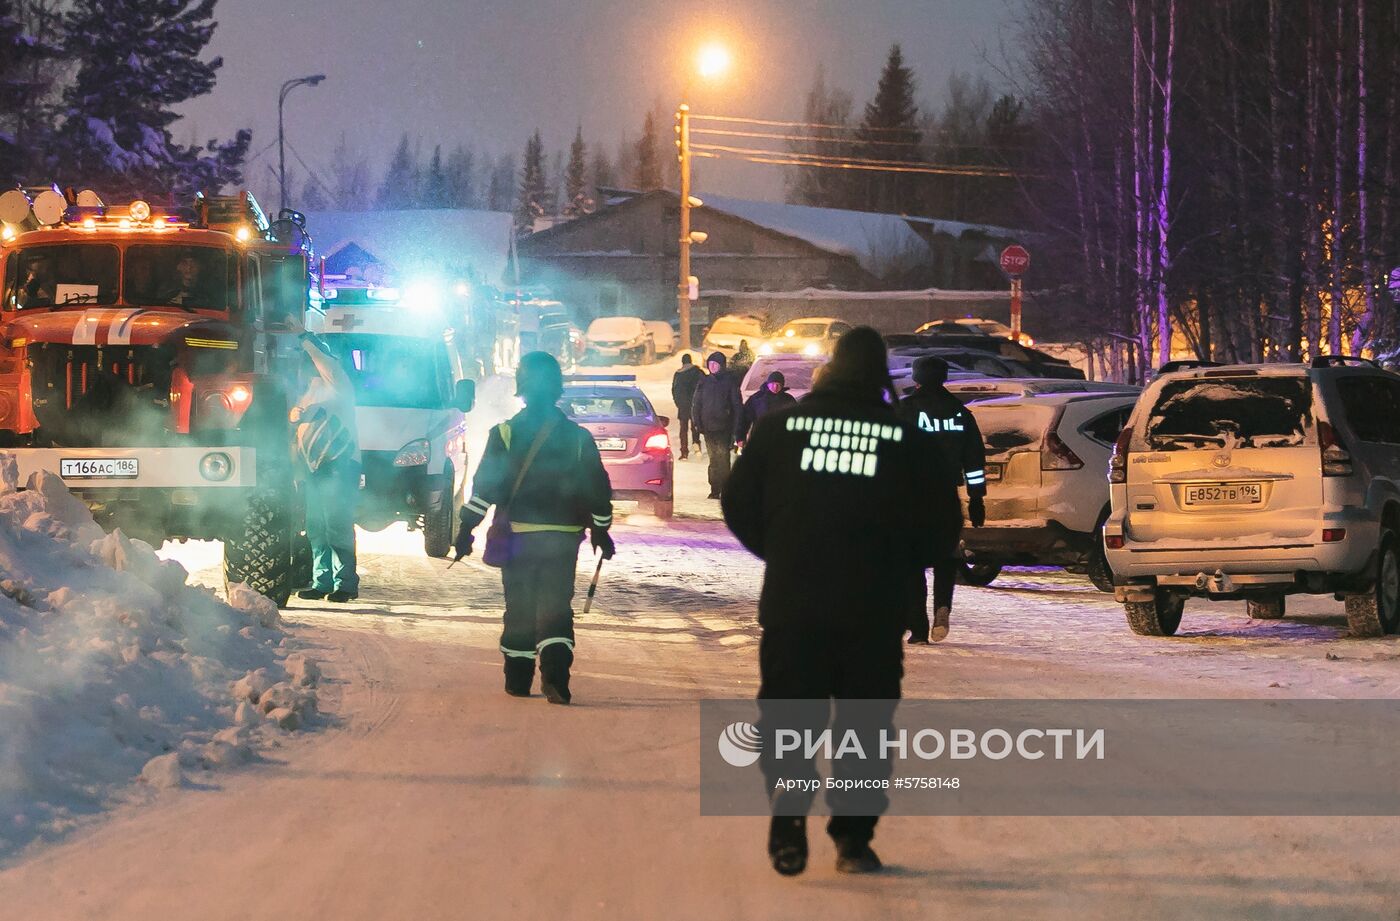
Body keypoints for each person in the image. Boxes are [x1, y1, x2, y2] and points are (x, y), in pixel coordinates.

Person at [723, 327, 962, 877]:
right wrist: (903, 567)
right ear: (880, 374)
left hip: (793, 603)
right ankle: (853, 839)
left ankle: (787, 826)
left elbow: (739, 504)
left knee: (790, 719)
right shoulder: (906, 439)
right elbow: (941, 526)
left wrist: (782, 551)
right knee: (865, 726)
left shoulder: (780, 427)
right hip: (873, 611)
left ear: (828, 370)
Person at [453, 351, 615, 705]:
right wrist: (602, 530)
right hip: (562, 540)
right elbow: (597, 490)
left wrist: (466, 529)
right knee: (557, 605)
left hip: (518, 538)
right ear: (558, 388)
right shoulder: (577, 438)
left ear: (521, 388)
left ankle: (518, 679)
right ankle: (556, 679)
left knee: (520, 606)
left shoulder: (505, 434)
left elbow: (485, 489)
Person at [898, 355, 987, 643]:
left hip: (911, 497)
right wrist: (976, 499)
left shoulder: (904, 411)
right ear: (945, 378)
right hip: (947, 497)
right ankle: (943, 607)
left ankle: (918, 627)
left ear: (916, 379)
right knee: (946, 557)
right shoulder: (960, 413)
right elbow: (974, 462)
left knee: (911, 563)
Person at [292, 336, 362, 603]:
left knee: (337, 525)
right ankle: (322, 581)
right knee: (316, 527)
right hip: (314, 468)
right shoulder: (307, 394)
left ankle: (345, 583)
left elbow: (327, 365)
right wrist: (298, 471)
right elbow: (298, 436)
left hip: (340, 465)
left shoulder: (338, 384)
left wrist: (304, 339)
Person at [690, 351, 743, 499]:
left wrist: (735, 428)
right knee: (714, 459)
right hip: (708, 428)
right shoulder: (704, 382)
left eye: (716, 364)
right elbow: (697, 404)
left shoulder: (729, 382)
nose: (713, 367)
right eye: (710, 364)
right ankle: (714, 488)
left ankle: (725, 488)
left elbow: (737, 406)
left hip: (724, 428)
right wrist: (697, 423)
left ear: (722, 366)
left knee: (723, 458)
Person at [736, 370, 797, 449]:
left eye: (778, 384)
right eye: (773, 384)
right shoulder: (757, 398)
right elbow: (745, 418)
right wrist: (740, 437)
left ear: (782, 386)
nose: (775, 387)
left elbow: (796, 420)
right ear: (768, 384)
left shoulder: (788, 400)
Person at [670, 353, 704, 459]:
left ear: (682, 362)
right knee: (695, 427)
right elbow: (704, 386)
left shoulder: (678, 374)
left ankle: (684, 451)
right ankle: (696, 446)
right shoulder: (698, 372)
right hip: (695, 404)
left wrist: (678, 402)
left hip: (683, 405)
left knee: (683, 429)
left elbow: (674, 390)